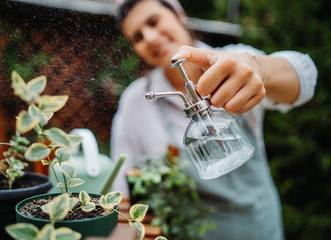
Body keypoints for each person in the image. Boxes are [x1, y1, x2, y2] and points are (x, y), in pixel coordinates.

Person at [110, 0, 318, 239]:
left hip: (258, 227)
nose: (150, 38)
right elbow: (123, 184)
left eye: (154, 21)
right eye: (137, 37)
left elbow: (305, 77)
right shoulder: (136, 101)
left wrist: (258, 69)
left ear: (179, 15)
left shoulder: (232, 60)